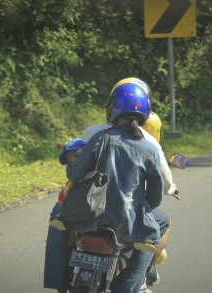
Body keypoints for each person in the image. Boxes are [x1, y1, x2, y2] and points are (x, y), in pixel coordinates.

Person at [65, 78, 163, 293]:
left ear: (113, 108)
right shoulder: (151, 148)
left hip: (88, 215)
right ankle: (129, 287)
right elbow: (155, 197)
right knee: (154, 232)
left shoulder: (100, 137)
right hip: (126, 224)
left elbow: (75, 173)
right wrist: (140, 208)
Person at [49, 138, 86, 230]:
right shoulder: (72, 175)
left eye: (76, 155)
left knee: (58, 209)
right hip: (78, 201)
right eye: (71, 162)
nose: (74, 162)